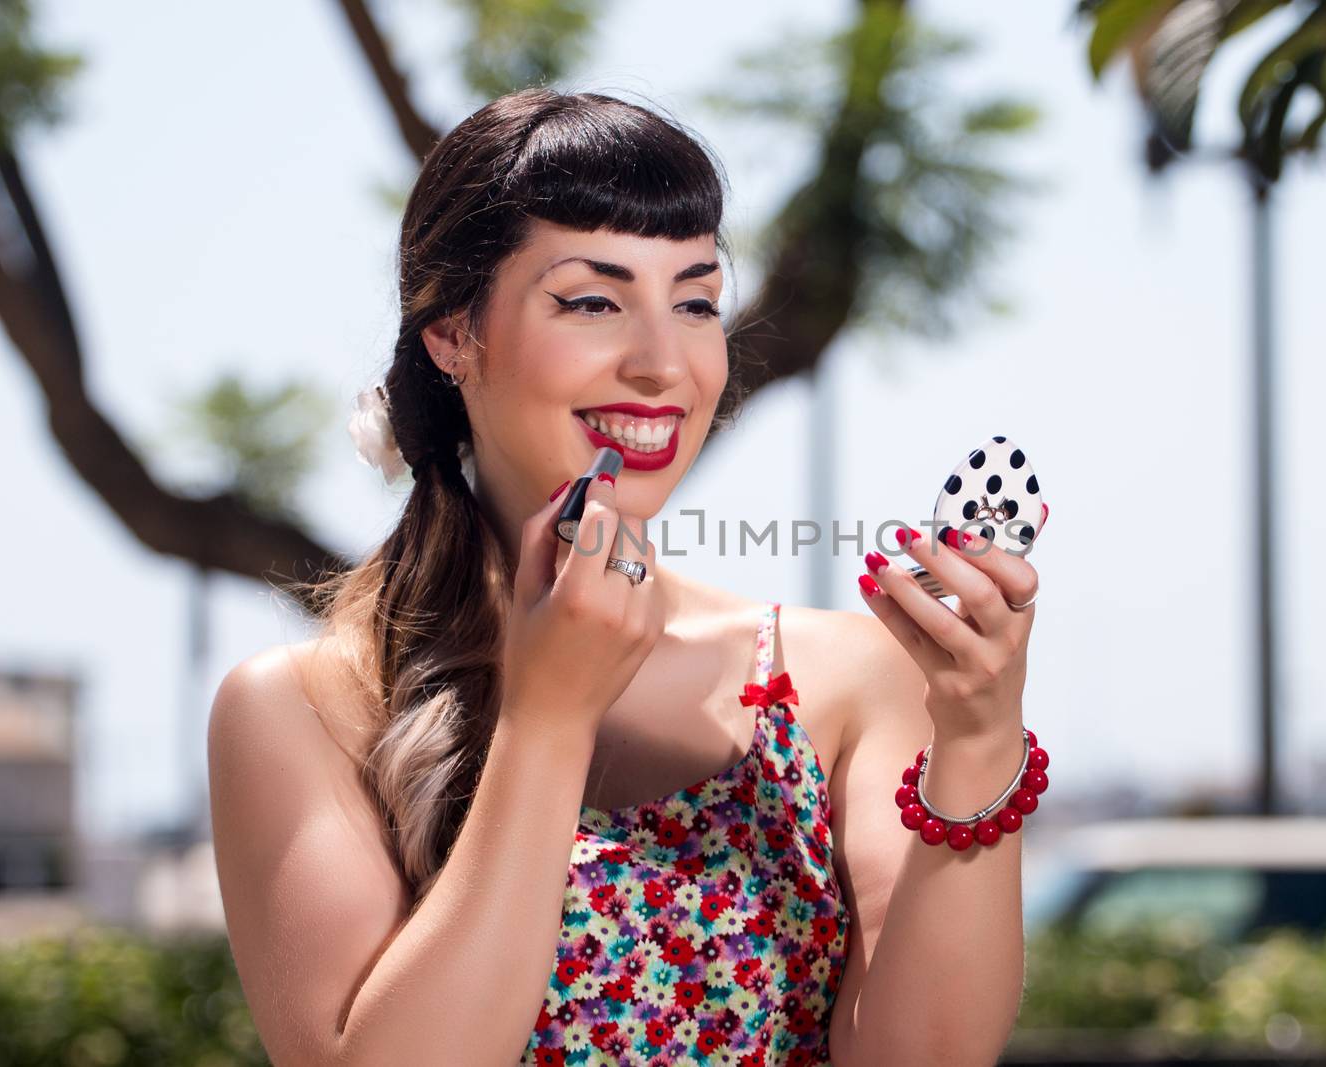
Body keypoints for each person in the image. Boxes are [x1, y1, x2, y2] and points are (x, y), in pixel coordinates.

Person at [206, 86, 1046, 1067]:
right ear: (452, 335)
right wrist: (548, 718)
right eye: (594, 300)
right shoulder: (304, 707)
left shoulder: (846, 677)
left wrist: (981, 735)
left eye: (695, 301)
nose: (662, 363)